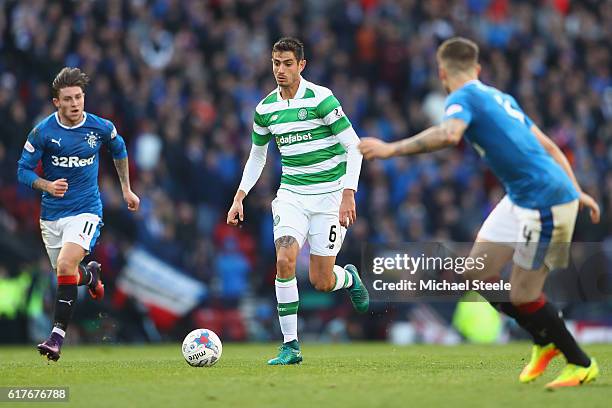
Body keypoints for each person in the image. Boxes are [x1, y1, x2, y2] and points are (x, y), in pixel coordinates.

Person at [359, 37, 600, 389]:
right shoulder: (500, 97)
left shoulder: (461, 98)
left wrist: (390, 149)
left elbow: (450, 134)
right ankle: (544, 339)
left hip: (546, 201)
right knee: (475, 273)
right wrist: (577, 188)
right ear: (478, 69)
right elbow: (548, 146)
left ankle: (580, 362)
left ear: (442, 72)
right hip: (522, 196)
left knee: (524, 295)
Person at [226, 37, 369, 365]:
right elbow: (257, 157)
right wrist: (239, 197)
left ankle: (348, 277)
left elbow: (355, 146)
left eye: (287, 63)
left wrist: (349, 193)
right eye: (276, 63)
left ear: (301, 65)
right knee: (285, 260)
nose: (280, 69)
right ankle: (290, 345)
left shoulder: (321, 99)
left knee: (322, 280)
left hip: (331, 196)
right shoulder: (265, 110)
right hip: (292, 195)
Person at [17, 67, 140, 361]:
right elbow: (22, 170)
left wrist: (126, 189)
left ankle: (56, 337)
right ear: (56, 103)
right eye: (68, 99)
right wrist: (46, 184)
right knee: (66, 272)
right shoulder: (43, 132)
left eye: (79, 97)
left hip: (86, 211)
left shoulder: (99, 127)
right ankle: (91, 275)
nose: (75, 103)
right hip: (52, 216)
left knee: (65, 263)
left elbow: (119, 149)